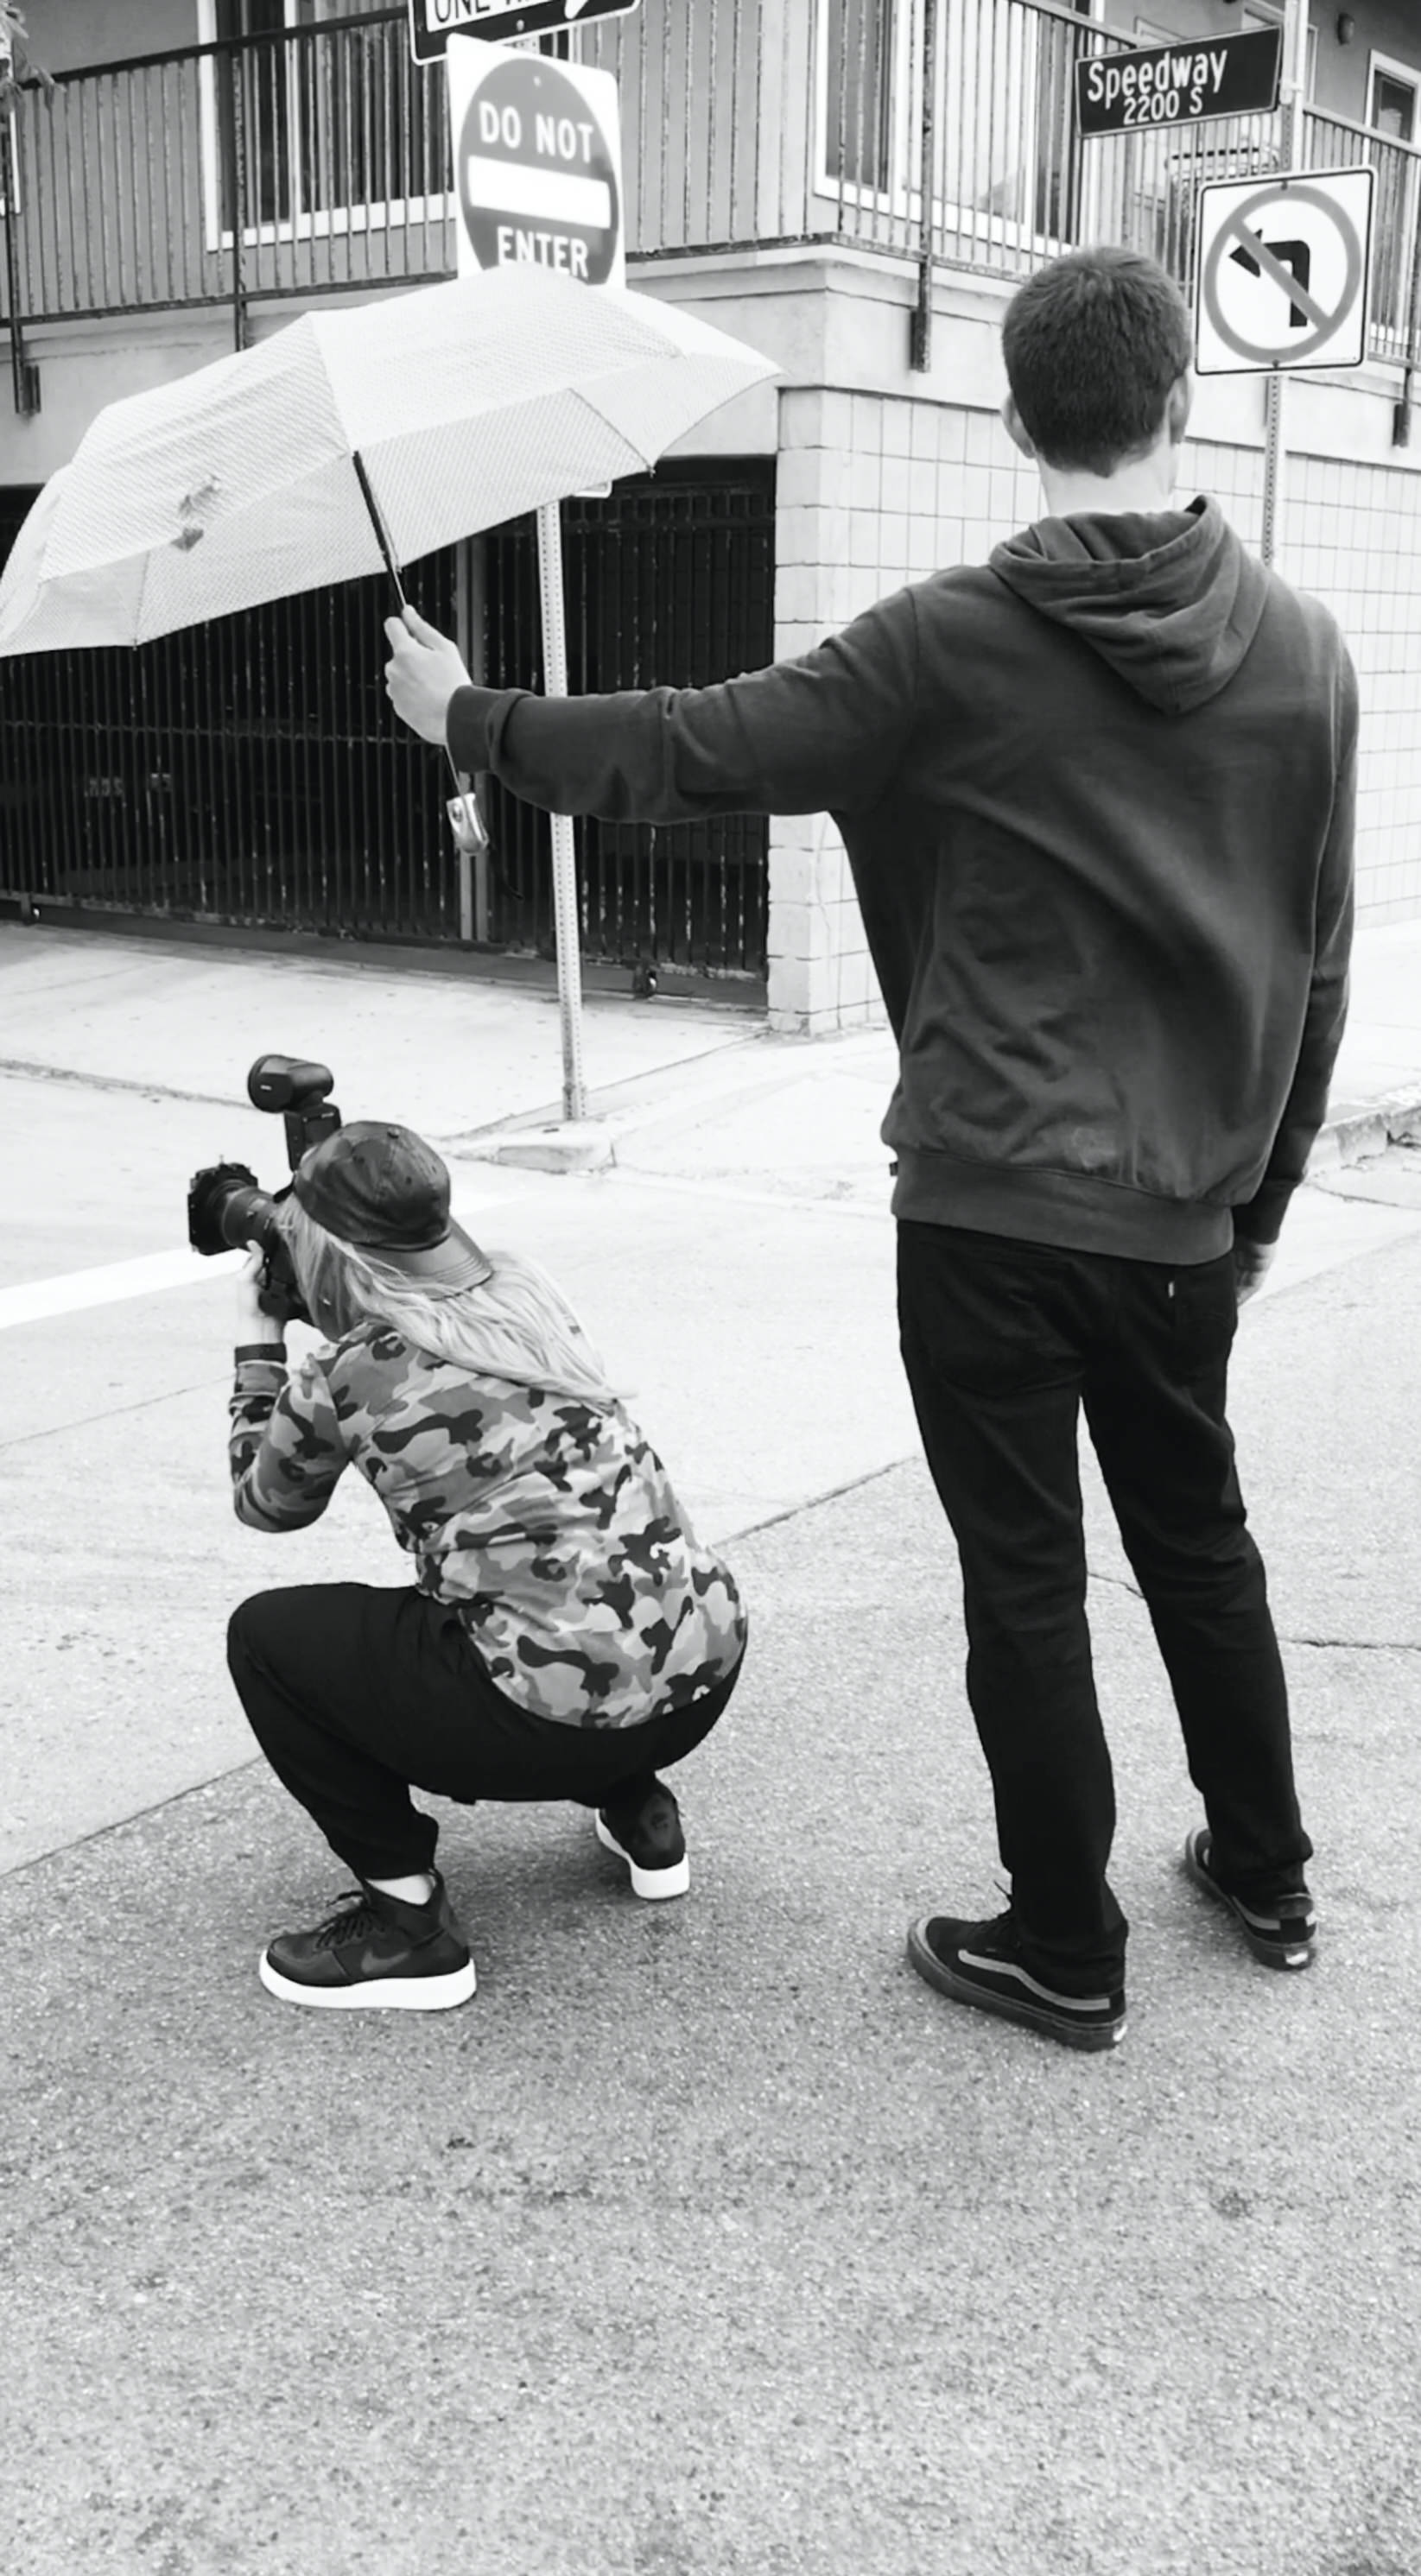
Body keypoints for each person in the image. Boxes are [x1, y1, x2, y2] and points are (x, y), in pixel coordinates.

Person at [384, 245, 1354, 2054]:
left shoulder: (943, 646)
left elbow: (690, 749)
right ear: (1181, 401)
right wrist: (1262, 1205)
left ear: (1014, 420)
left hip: (988, 1212)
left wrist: (470, 720)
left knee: (1026, 1582)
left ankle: (1065, 1947)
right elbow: (1321, 963)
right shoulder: (1306, 654)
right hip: (1179, 1225)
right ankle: (1268, 1871)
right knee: (1202, 1542)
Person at [225, 1119, 746, 2010]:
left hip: (547, 1723)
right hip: (700, 1676)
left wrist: (258, 1344)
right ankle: (641, 1811)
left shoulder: (344, 1373)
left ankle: (409, 1929)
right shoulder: (526, 1296)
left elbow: (266, 1504)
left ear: (323, 1259)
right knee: (564, 1577)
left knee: (266, 1638)